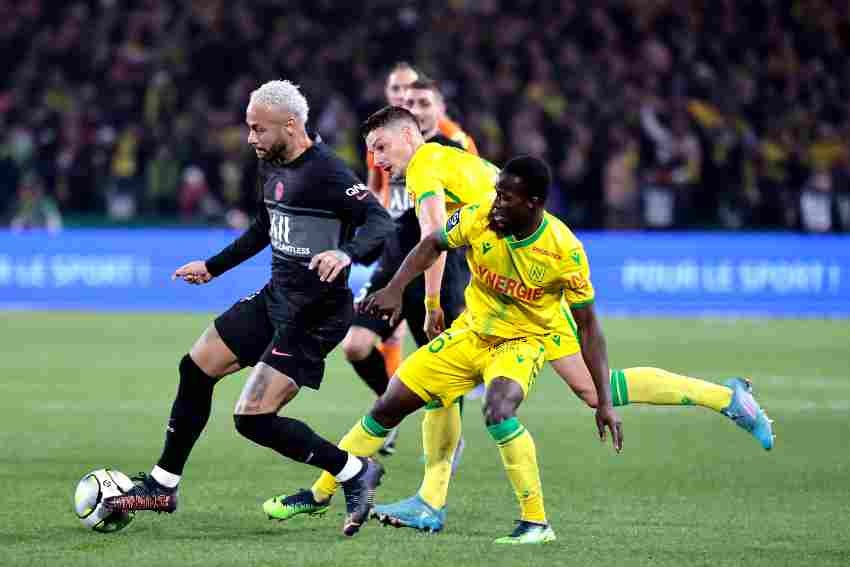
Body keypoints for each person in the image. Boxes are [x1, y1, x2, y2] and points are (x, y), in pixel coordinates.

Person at [267, 106, 776, 534]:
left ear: (408, 136)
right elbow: (443, 235)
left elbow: (431, 236)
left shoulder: (426, 164)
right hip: (499, 275)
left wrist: (428, 301)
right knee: (445, 390)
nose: (376, 161)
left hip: (518, 294)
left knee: (546, 392)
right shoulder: (456, 159)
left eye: (381, 147)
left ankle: (426, 500)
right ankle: (422, 500)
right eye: (370, 152)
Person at [103, 80, 394, 537]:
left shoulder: (329, 173)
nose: (251, 138)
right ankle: (163, 485)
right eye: (249, 128)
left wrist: (345, 254)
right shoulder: (272, 165)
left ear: (291, 125)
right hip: (275, 297)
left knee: (252, 418)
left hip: (315, 315)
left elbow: (379, 221)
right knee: (196, 367)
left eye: (258, 129)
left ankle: (356, 472)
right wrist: (213, 267)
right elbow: (265, 226)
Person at [335, 155, 622, 544]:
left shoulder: (564, 251)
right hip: (472, 333)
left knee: (498, 409)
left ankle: (536, 523)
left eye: (506, 197)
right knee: (391, 403)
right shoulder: (480, 216)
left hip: (522, 342)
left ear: (533, 202)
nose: (496, 202)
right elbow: (433, 243)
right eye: (497, 192)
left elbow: (589, 327)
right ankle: (328, 490)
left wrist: (604, 402)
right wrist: (396, 288)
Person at [364, 64, 479, 399]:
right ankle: (390, 409)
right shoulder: (382, 141)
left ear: (440, 109)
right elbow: (376, 189)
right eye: (400, 93)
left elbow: (441, 230)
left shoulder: (451, 146)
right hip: (400, 247)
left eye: (420, 100)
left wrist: (432, 299)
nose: (408, 102)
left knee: (438, 352)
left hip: (440, 254)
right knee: (362, 342)